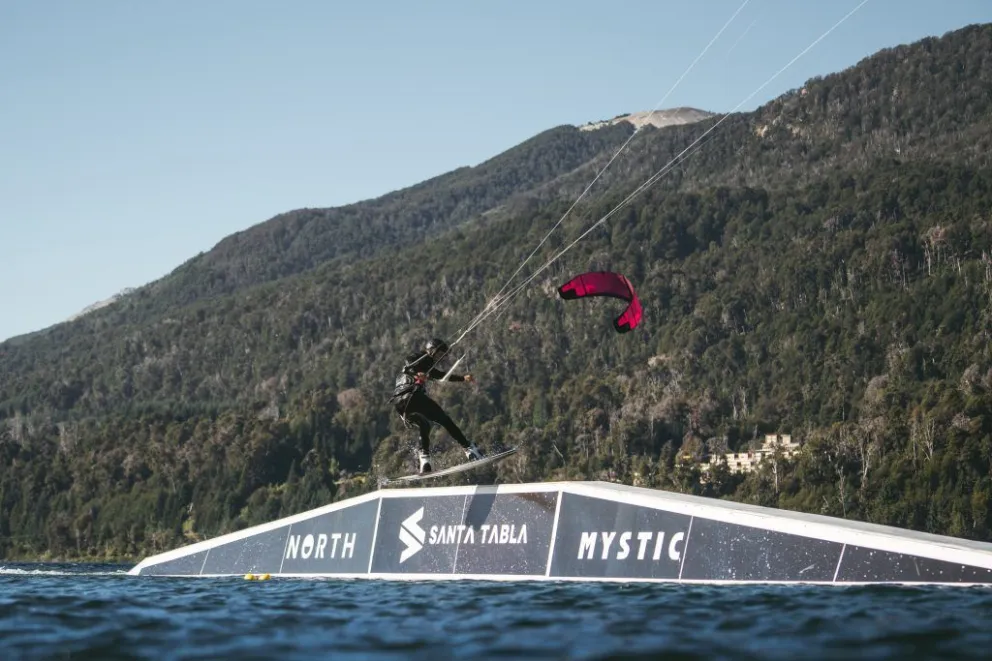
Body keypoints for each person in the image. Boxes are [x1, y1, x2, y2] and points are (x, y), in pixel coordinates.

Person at [389, 337, 485, 474]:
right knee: (445, 420)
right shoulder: (421, 358)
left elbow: (441, 375)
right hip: (412, 396)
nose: (440, 358)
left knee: (424, 425)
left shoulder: (427, 367)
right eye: (440, 354)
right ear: (432, 350)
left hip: (400, 405)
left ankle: (425, 461)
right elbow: (409, 361)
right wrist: (418, 374)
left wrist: (463, 378)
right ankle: (469, 449)